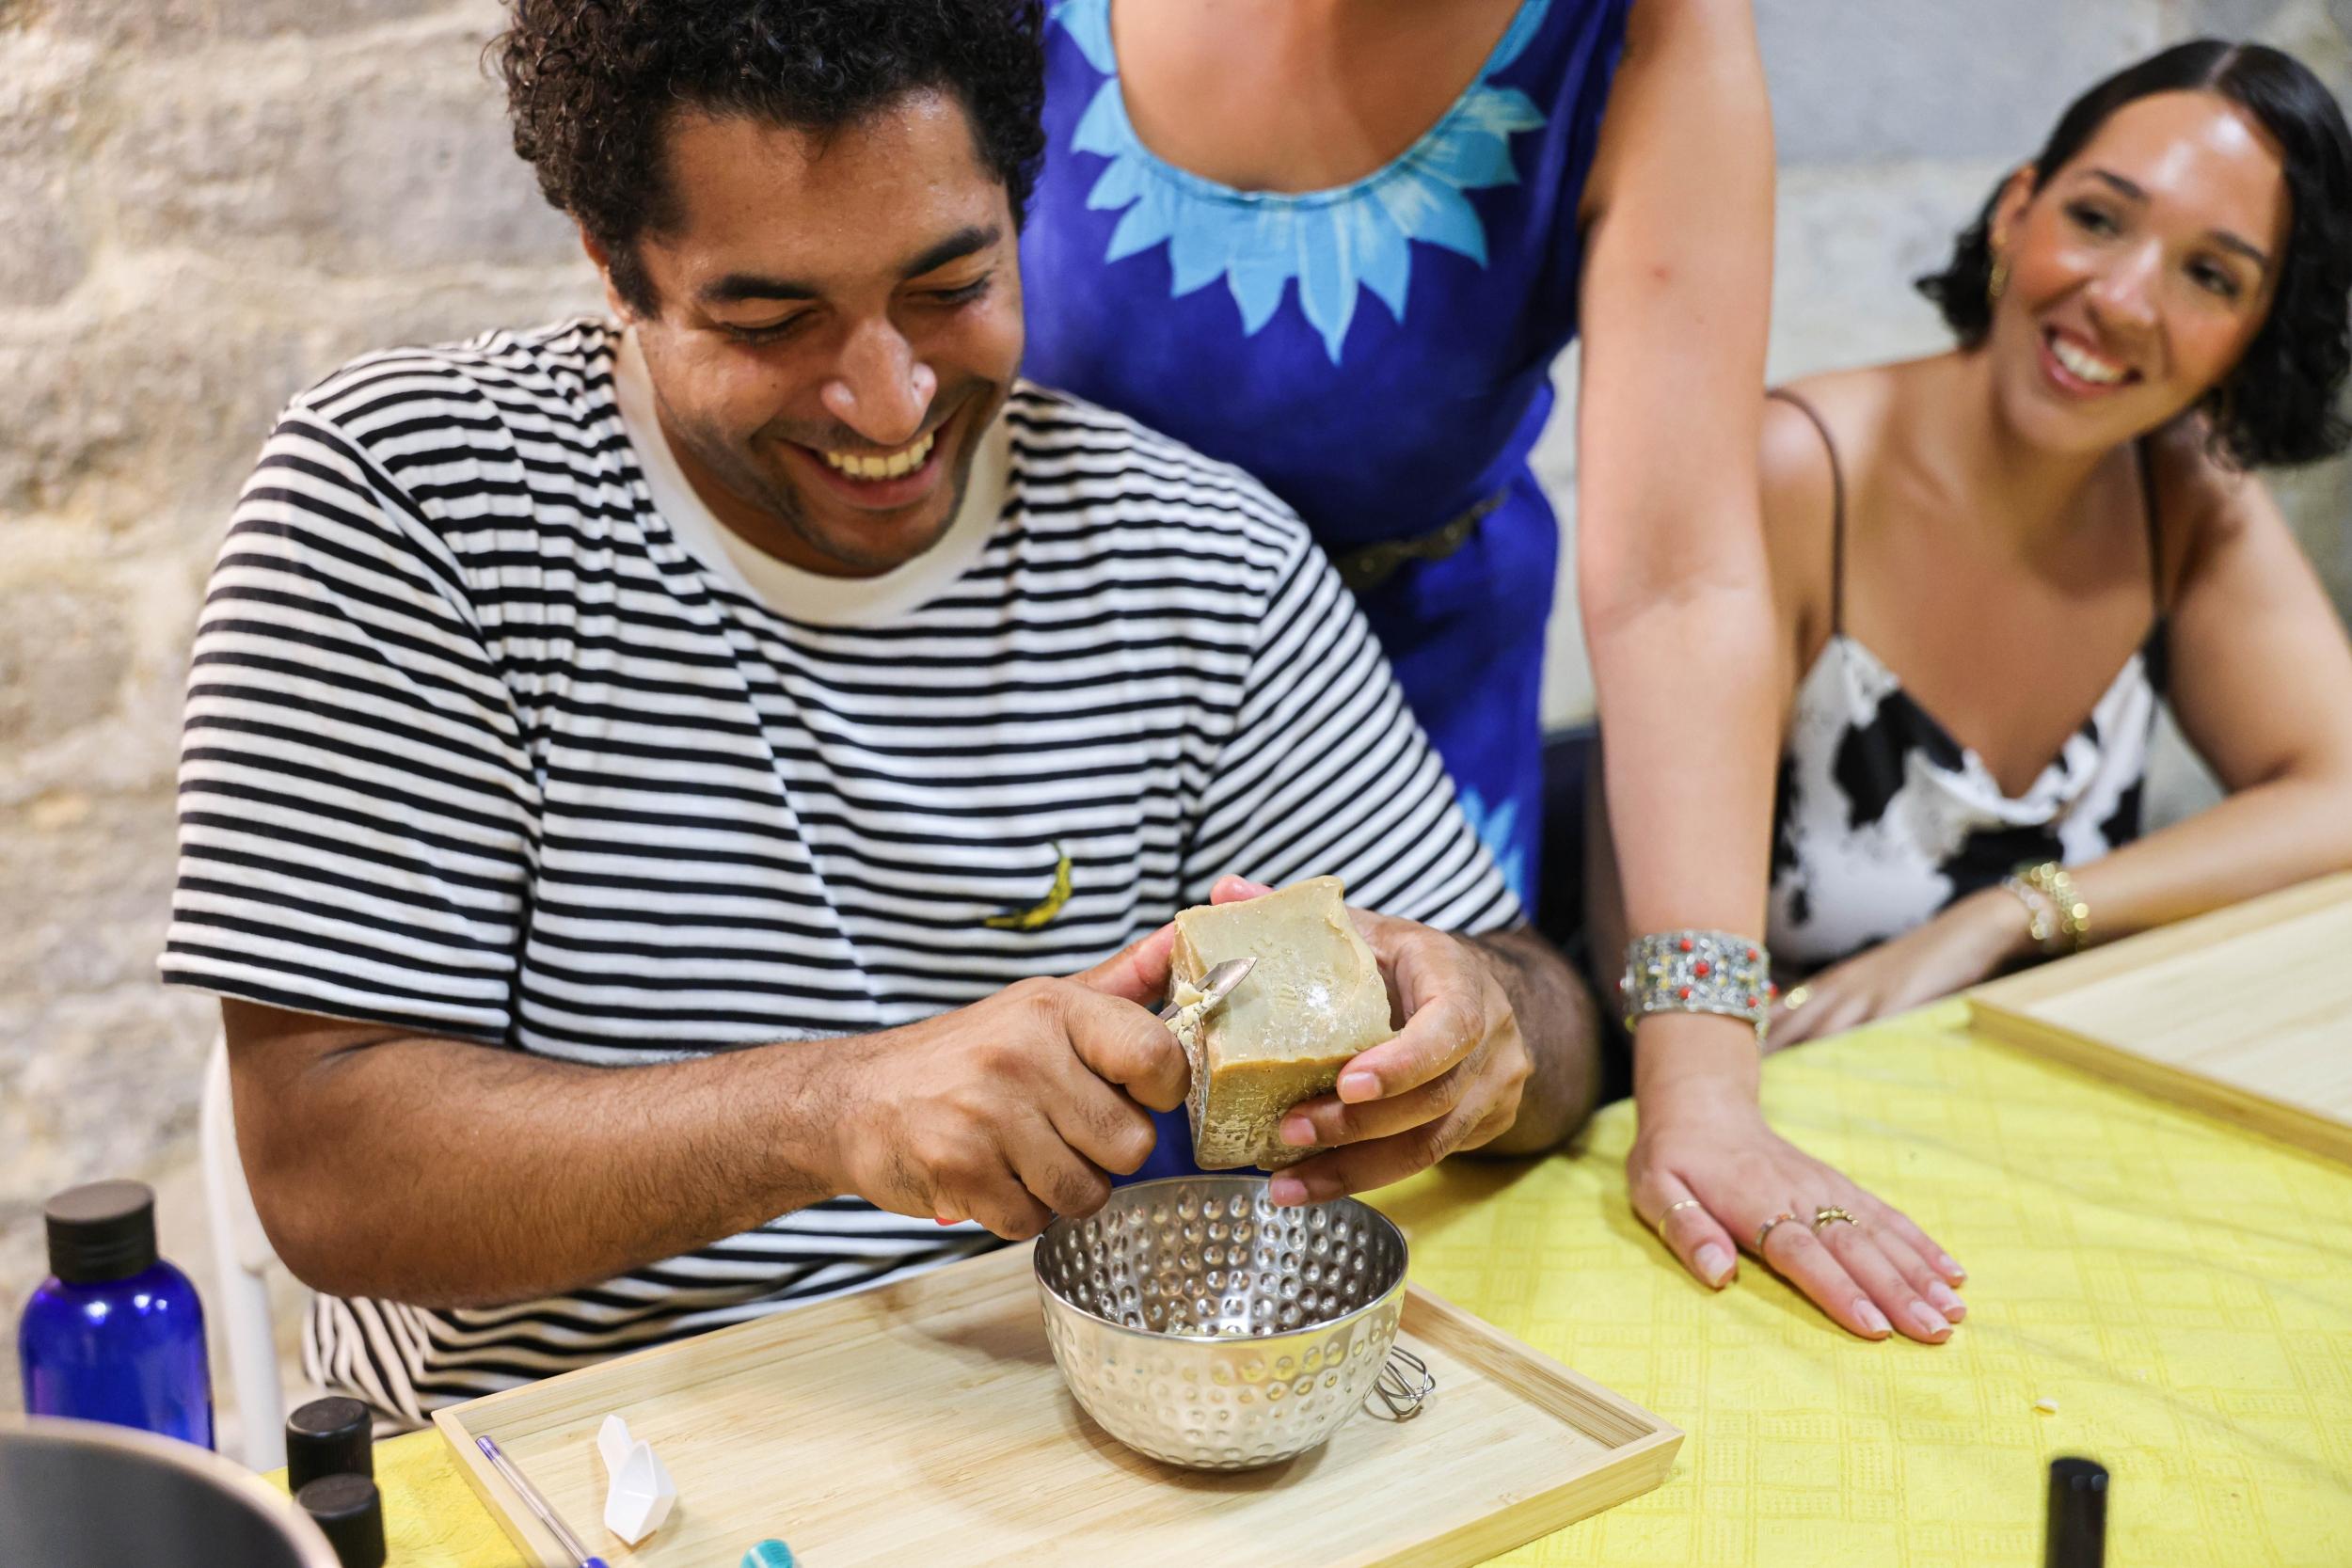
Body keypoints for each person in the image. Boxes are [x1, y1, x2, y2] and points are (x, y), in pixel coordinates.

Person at [158, 0, 1602, 1424]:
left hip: (1045, 1436)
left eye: (950, 288)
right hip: (548, 1455)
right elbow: (328, 1175)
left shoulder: (1198, 558)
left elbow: (1548, 1019)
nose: (888, 399)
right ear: (614, 263)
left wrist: (1480, 1031)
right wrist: (835, 1109)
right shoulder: (411, 506)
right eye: (772, 319)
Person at [1021, 0, 1965, 1345]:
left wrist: (1699, 1082)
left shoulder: (1645, 34)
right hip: (1059, 692)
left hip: (1412, 713)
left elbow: (1680, 581)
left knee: (1396, 1188)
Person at [1743, 40, 2352, 1046]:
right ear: (2016, 210)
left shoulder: (2184, 492)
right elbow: (1653, 956)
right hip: (1770, 1097)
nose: (2120, 300)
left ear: (2256, 334)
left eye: (2209, 275)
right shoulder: (1795, 468)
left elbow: (2337, 796)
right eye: (2097, 219)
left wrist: (2013, 913)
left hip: (2045, 1073)